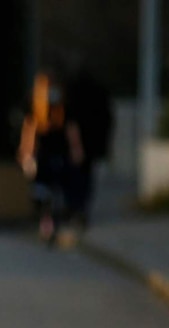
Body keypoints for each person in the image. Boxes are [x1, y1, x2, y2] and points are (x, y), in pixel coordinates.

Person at [17, 68, 85, 246]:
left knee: (60, 191)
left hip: (60, 155)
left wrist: (76, 150)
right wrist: (26, 153)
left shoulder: (64, 109)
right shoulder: (34, 109)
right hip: (42, 157)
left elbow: (72, 132)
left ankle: (62, 218)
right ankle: (46, 225)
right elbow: (29, 132)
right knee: (42, 194)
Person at [63, 56, 113, 231]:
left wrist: (75, 146)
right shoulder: (100, 92)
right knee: (86, 179)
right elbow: (108, 119)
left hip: (78, 144)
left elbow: (71, 121)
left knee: (75, 179)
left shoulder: (73, 92)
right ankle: (80, 211)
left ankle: (75, 211)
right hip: (93, 143)